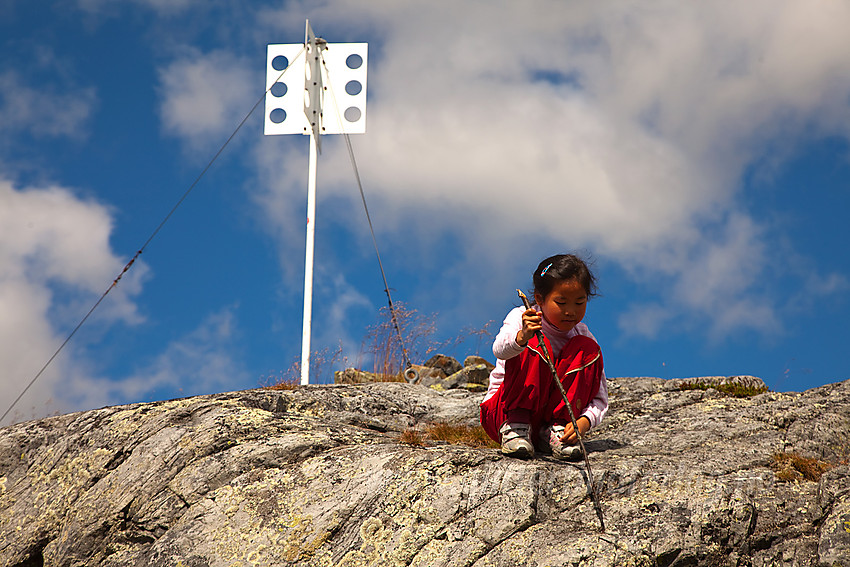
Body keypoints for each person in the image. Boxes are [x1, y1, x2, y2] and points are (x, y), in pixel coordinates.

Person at [480, 254, 608, 460]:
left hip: (551, 424)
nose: (570, 311)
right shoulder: (523, 317)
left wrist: (583, 422)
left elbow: (600, 397)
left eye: (579, 302)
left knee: (588, 349)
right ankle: (516, 427)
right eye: (561, 302)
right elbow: (499, 350)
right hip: (502, 414)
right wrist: (522, 336)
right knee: (535, 340)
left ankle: (553, 431)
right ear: (540, 299)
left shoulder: (582, 335)